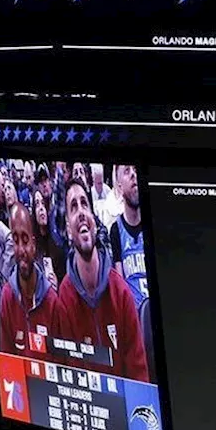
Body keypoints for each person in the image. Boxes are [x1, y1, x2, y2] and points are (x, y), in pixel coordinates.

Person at [55, 180, 149, 382]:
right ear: (69, 231)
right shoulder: (63, 299)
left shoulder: (121, 292)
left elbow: (138, 374)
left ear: (94, 221)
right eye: (73, 206)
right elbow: (70, 376)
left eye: (84, 204)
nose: (81, 212)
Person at [0, 203, 60, 360]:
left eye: (25, 241)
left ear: (33, 245)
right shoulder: (7, 297)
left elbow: (60, 363)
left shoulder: (51, 300)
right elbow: (7, 359)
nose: (20, 250)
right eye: (15, 240)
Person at [108, 164, 148, 304]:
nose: (133, 174)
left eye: (135, 170)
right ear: (119, 187)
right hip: (135, 316)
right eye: (127, 171)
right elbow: (120, 286)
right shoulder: (116, 230)